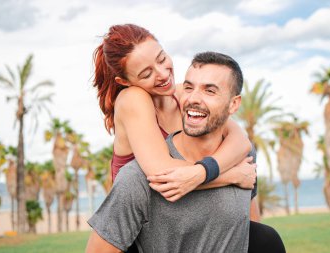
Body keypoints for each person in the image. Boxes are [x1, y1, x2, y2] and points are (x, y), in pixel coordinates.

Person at [87, 51, 286, 253]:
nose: (193, 98)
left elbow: (249, 230)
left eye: (210, 91)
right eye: (188, 87)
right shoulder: (137, 179)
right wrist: (215, 174)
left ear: (233, 104)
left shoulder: (243, 159)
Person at [92, 24, 258, 212]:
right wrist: (231, 177)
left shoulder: (184, 95)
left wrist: (203, 172)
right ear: (125, 82)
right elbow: (162, 175)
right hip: (142, 222)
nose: (163, 74)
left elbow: (241, 141)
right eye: (147, 74)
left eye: (162, 59)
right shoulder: (132, 99)